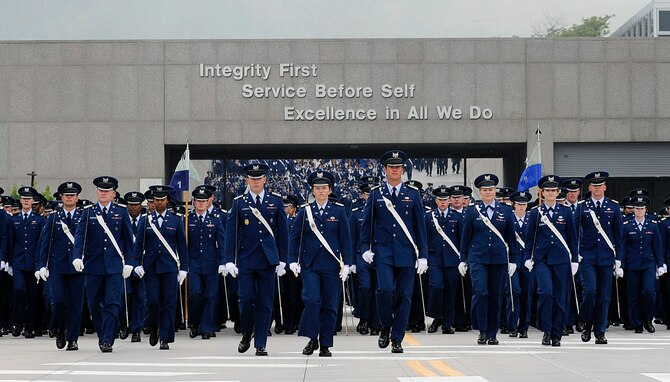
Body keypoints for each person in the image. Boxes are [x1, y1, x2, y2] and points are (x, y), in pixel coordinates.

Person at [360, 150, 428, 354]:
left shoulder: (413, 195)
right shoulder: (375, 194)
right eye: (391, 167)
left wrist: (423, 254)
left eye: (398, 167)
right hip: (383, 252)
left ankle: (397, 338)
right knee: (385, 290)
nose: (395, 170)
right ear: (385, 170)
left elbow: (419, 228)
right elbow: (367, 224)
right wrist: (365, 248)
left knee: (405, 296)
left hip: (406, 252)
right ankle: (385, 325)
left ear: (403, 169)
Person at [224, 163, 288, 356]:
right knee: (245, 300)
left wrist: (283, 260)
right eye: (252, 179)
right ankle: (247, 331)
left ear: (265, 180)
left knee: (265, 303)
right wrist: (229, 259)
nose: (256, 182)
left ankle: (261, 343)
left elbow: (283, 233)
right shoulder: (239, 202)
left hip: (268, 261)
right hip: (246, 259)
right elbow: (231, 234)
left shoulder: (275, 201)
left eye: (259, 178)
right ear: (247, 181)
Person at [288, 170, 353, 357]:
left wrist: (347, 264)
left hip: (332, 265)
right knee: (311, 300)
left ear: (330, 190)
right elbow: (295, 238)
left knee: (330, 306)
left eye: (324, 188)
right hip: (310, 265)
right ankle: (312, 338)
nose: (321, 191)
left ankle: (325, 344)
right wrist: (293, 260)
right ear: (312, 191)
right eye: (317, 188)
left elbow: (345, 240)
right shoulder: (305, 211)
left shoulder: (339, 211)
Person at [72, 176, 136, 353]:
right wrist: (77, 256)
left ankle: (108, 338)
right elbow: (80, 236)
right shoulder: (88, 212)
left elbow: (128, 239)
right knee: (93, 303)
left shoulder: (122, 212)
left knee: (113, 302)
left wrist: (130, 262)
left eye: (107, 191)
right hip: (93, 266)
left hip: (114, 266)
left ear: (113, 194)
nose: (103, 193)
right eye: (101, 190)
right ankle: (102, 333)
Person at [459, 173, 518, 345]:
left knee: (495, 296)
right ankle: (482, 330)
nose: (488, 192)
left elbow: (511, 238)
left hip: (499, 259)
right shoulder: (472, 210)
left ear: (495, 191)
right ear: (480, 192)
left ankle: (492, 333)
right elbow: (465, 236)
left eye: (491, 190)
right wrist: (463, 259)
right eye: (484, 190)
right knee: (481, 292)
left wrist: (513, 259)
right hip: (478, 258)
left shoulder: (506, 210)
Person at [523, 176, 579, 347]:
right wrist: (527, 257)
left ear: (558, 192)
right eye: (547, 191)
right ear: (542, 193)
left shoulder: (566, 212)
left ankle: (557, 333)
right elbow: (530, 238)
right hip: (542, 260)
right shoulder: (535, 213)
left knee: (559, 297)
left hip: (561, 260)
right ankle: (546, 330)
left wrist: (575, 259)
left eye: (553, 191)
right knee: (546, 293)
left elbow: (572, 237)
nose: (550, 193)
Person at [133, 185, 188, 350]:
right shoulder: (145, 220)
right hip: (150, 268)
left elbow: (182, 247)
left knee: (169, 303)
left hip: (169, 267)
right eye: (156, 200)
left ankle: (165, 337)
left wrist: (184, 268)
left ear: (167, 201)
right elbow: (138, 245)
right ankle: (153, 326)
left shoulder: (176, 221)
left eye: (162, 200)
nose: (159, 203)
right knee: (153, 302)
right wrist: (137, 264)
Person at [576, 171, 623, 345]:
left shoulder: (614, 206)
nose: (597, 188)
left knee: (604, 296)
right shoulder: (582, 206)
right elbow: (574, 232)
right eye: (593, 186)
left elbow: (619, 236)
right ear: (589, 188)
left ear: (605, 187)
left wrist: (619, 259)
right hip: (587, 257)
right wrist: (576, 254)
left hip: (606, 257)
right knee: (590, 291)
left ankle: (600, 331)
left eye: (600, 185)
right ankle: (587, 322)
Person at [37, 182, 85, 350]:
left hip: (77, 267)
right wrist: (42, 265)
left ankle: (72, 338)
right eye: (66, 195)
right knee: (58, 301)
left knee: (75, 304)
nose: (69, 197)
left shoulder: (83, 216)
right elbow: (44, 243)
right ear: (62, 198)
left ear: (77, 197)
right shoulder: (53, 218)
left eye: (72, 195)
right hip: (57, 266)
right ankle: (59, 329)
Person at [621, 196, 665, 333]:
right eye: (637, 208)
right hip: (632, 264)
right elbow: (623, 247)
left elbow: (657, 246)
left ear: (646, 210)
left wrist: (661, 264)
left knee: (648, 291)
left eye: (642, 208)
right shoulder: (627, 226)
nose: (639, 211)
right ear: (633, 209)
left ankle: (648, 319)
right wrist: (620, 265)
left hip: (648, 264)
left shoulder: (652, 224)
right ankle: (637, 323)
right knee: (633, 295)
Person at [7, 186, 46, 338]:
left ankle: (29, 326)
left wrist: (41, 263)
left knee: (33, 295)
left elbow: (41, 243)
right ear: (21, 200)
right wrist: (8, 261)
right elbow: (11, 241)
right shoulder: (13, 220)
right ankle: (17, 323)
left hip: (33, 263)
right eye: (24, 199)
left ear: (33, 201)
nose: (26, 201)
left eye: (29, 199)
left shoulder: (39, 220)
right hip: (18, 262)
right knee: (18, 291)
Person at [187, 187, 225, 340]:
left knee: (210, 296)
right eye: (198, 201)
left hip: (211, 264)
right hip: (193, 263)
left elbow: (222, 242)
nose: (201, 204)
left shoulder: (215, 220)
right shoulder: (187, 219)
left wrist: (223, 262)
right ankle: (194, 322)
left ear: (208, 202)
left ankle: (207, 327)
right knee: (195, 294)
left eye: (204, 201)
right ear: (194, 202)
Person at [425, 186, 462, 334]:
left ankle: (447, 324)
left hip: (452, 260)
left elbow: (461, 240)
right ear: (436, 200)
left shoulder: (457, 217)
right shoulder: (429, 217)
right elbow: (425, 238)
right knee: (436, 287)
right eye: (440, 200)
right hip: (434, 259)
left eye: (445, 200)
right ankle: (435, 317)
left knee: (451, 291)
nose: (443, 202)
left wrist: (463, 259)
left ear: (449, 201)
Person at [123, 191, 148, 343]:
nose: (133, 208)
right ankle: (123, 325)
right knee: (124, 297)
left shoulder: (146, 221)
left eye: (136, 205)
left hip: (141, 265)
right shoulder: (121, 219)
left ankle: (136, 330)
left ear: (141, 206)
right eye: (130, 205)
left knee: (140, 298)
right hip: (125, 265)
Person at [508, 191, 532, 338]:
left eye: (524, 204)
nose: (522, 207)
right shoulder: (509, 219)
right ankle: (512, 325)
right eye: (519, 204)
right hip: (513, 262)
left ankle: (523, 327)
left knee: (526, 295)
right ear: (514, 205)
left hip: (528, 262)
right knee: (514, 292)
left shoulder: (531, 218)